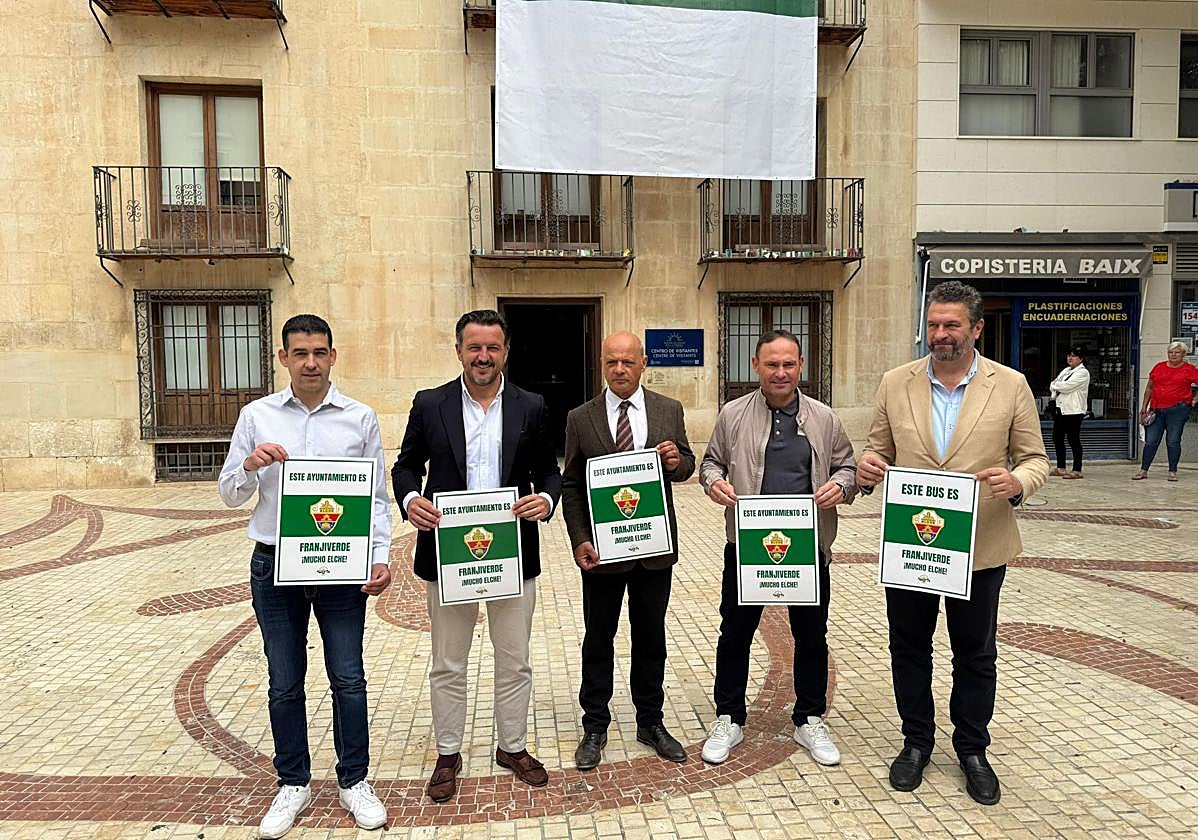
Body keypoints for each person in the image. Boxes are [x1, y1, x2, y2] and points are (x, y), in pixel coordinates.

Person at [856, 281, 1049, 806]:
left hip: (981, 545)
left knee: (975, 652)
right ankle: (916, 741)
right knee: (908, 647)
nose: (940, 335)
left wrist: (1019, 483)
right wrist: (868, 468)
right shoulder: (896, 382)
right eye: (934, 325)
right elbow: (876, 452)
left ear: (976, 328)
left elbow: (1035, 458)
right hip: (912, 545)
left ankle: (972, 749)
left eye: (952, 325)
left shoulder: (1009, 386)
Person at [218, 314, 392, 839]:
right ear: (284, 359)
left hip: (341, 564)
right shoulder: (257, 415)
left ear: (333, 356)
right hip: (275, 564)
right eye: (300, 353)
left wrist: (380, 555)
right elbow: (229, 493)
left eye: (319, 352)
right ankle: (292, 783)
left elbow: (378, 499)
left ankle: (353, 780)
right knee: (284, 681)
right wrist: (248, 465)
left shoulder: (359, 417)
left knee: (349, 677)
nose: (311, 362)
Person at [391, 309, 562, 803]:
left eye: (492, 347)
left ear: (506, 351)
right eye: (474, 347)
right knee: (448, 662)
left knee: (515, 661)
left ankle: (512, 746)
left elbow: (549, 472)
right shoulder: (430, 403)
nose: (482, 356)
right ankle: (448, 752)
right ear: (459, 350)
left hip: (512, 553)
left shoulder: (531, 406)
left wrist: (545, 501)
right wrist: (410, 500)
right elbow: (406, 467)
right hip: (448, 554)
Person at [698, 330, 858, 767]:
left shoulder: (824, 418)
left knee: (811, 636)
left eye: (789, 364)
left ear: (801, 366)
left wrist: (840, 486)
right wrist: (714, 482)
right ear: (756, 367)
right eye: (772, 365)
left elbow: (849, 466)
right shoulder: (733, 414)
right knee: (735, 633)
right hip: (749, 544)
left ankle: (808, 719)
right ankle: (729, 716)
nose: (781, 372)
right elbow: (710, 461)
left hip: (807, 546)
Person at [560, 331, 695, 770]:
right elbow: (571, 484)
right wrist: (580, 537)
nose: (619, 369)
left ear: (643, 363)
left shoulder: (667, 410)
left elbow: (687, 465)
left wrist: (677, 462)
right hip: (602, 551)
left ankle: (650, 721)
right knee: (599, 638)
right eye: (611, 362)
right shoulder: (581, 418)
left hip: (654, 550)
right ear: (603, 364)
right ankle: (595, 724)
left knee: (650, 636)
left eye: (627, 362)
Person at [1134, 340, 1198, 482]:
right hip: (1157, 409)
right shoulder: (1159, 367)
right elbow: (1150, 387)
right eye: (1170, 352)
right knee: (1151, 441)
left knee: (1173, 441)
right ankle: (1144, 470)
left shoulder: (1189, 369)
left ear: (1183, 354)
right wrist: (1144, 406)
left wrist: (1194, 400)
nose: (1173, 355)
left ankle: (1172, 471)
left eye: (1177, 352)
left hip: (1178, 410)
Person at [1048, 347, 1090, 479]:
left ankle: (1077, 469)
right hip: (1061, 408)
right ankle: (1061, 467)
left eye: (1074, 356)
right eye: (1069, 355)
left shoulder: (1083, 373)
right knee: (1057, 437)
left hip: (1074, 411)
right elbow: (1053, 384)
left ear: (1081, 359)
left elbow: (1066, 387)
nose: (1070, 358)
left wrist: (1056, 385)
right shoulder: (1066, 371)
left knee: (1073, 439)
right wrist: (1056, 386)